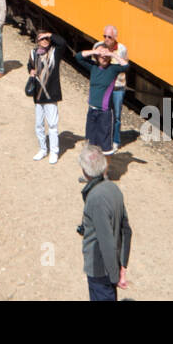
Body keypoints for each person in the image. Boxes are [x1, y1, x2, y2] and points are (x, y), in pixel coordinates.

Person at [79, 144, 131, 301]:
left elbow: (106, 241)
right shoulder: (114, 189)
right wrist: (123, 265)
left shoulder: (95, 198)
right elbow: (126, 230)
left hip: (99, 269)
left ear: (84, 171)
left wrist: (115, 277)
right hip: (112, 264)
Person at [75, 45, 120, 154]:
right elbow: (78, 57)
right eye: (100, 55)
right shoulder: (93, 67)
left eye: (105, 55)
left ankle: (104, 171)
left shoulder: (113, 69)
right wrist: (95, 51)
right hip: (92, 111)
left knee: (105, 149)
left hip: (105, 113)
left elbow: (126, 65)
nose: (103, 57)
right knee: (90, 144)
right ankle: (92, 169)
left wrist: (112, 54)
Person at [27, 30, 62, 163]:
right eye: (41, 39)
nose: (45, 41)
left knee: (52, 125)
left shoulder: (55, 53)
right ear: (37, 41)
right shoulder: (33, 53)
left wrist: (51, 34)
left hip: (51, 94)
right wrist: (30, 71)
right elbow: (29, 66)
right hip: (38, 94)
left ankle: (54, 151)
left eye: (46, 39)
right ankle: (42, 149)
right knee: (39, 124)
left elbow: (62, 43)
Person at [93, 26, 129, 150]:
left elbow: (125, 65)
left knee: (117, 116)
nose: (106, 39)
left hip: (118, 87)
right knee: (103, 113)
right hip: (104, 88)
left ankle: (116, 141)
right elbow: (96, 65)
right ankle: (103, 138)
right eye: (105, 36)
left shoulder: (122, 49)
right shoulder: (99, 46)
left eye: (109, 37)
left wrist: (112, 55)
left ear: (115, 38)